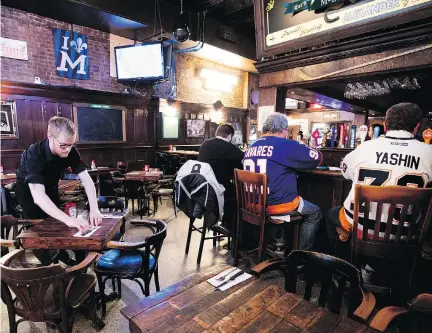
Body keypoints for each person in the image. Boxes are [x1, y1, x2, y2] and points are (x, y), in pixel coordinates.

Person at [326, 103, 432, 282]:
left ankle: (342, 271)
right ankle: (382, 272)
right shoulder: (429, 152)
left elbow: (345, 172)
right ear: (416, 127)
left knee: (331, 214)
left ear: (385, 125)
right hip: (406, 234)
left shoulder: (365, 148)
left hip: (359, 227)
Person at [16, 116, 102, 263]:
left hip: (51, 188)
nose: (68, 150)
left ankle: (64, 257)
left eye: (71, 145)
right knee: (40, 233)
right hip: (28, 193)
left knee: (58, 225)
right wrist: (68, 220)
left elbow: (87, 180)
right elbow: (38, 196)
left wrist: (95, 208)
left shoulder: (70, 150)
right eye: (64, 146)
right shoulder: (34, 153)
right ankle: (50, 268)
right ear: (50, 137)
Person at [243, 113, 323, 253]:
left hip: (252, 205)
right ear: (284, 130)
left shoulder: (251, 147)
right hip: (276, 206)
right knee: (315, 213)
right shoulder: (285, 145)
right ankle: (300, 258)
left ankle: (277, 243)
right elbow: (317, 158)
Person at [198, 124, 244, 228]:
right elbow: (244, 162)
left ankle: (221, 220)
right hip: (218, 191)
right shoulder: (229, 147)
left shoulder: (205, 144)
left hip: (202, 191)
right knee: (240, 195)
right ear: (230, 136)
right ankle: (230, 227)